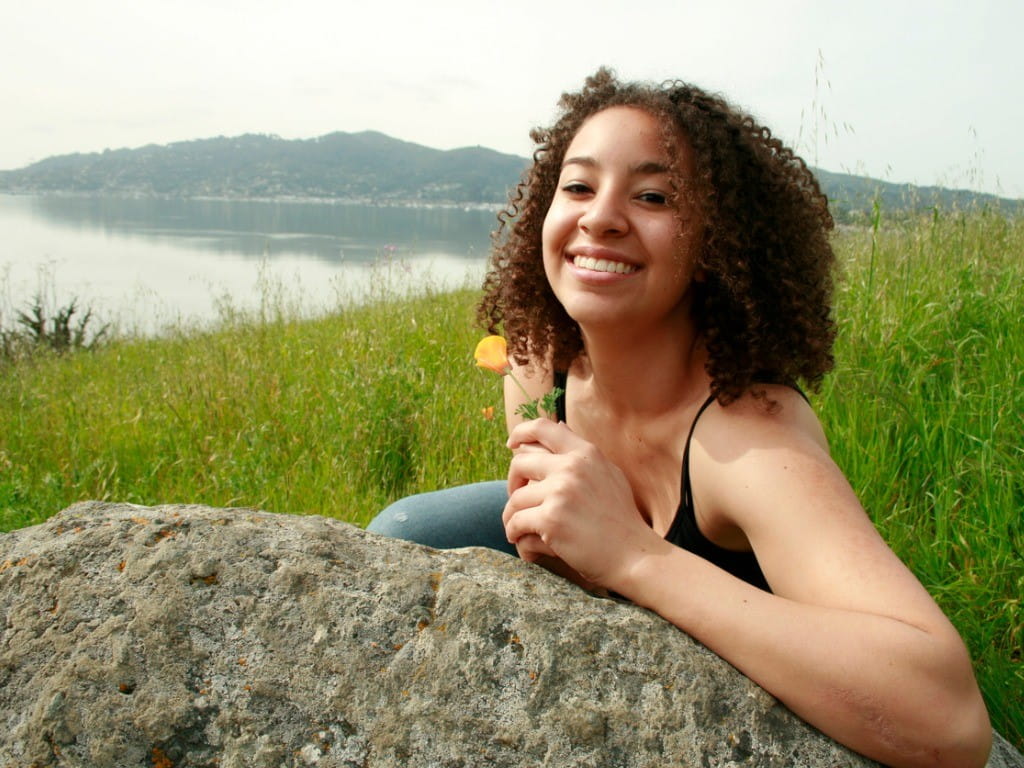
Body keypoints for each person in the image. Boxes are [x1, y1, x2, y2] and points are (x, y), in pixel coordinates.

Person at [367, 67, 991, 767]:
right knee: (404, 532)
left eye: (654, 195)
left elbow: (950, 720)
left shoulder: (748, 441)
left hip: (743, 630)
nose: (600, 216)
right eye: (577, 185)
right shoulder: (538, 361)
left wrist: (634, 555)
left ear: (713, 246)